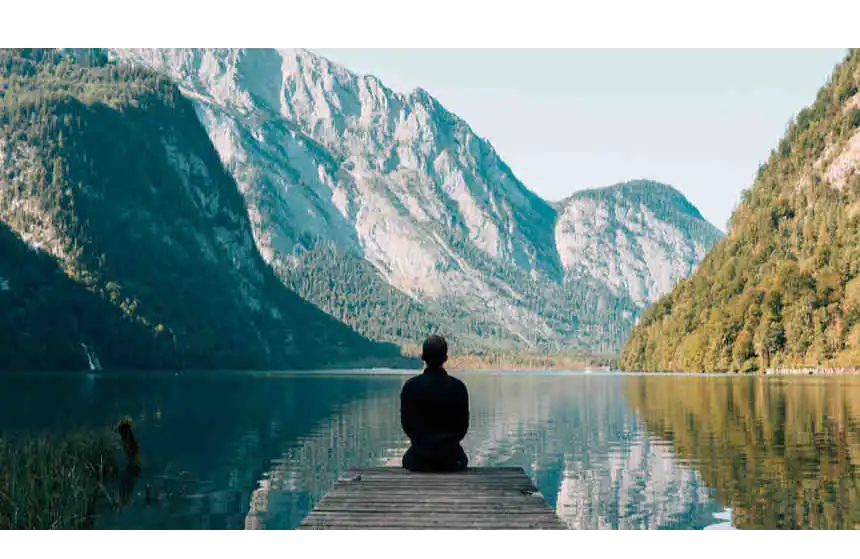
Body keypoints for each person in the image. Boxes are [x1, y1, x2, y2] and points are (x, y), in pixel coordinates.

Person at [400, 334, 469, 472]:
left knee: (407, 459)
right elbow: (462, 428)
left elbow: (407, 426)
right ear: (445, 358)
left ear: (422, 357)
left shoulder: (410, 387)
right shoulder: (458, 387)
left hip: (418, 460)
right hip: (452, 460)